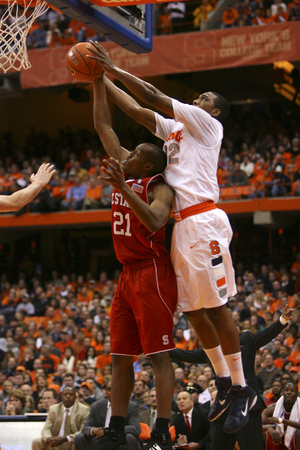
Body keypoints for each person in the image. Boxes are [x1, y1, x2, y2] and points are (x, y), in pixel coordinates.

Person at [88, 41, 255, 435]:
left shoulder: (208, 125)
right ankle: (223, 382)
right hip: (182, 228)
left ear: (212, 111)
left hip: (202, 220)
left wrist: (113, 66)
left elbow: (154, 95)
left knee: (215, 307)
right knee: (194, 310)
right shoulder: (177, 132)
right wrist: (99, 78)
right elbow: (137, 110)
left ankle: (242, 387)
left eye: (205, 98)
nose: (198, 98)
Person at [89, 72, 177, 450]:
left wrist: (124, 187)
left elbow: (157, 220)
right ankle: (116, 422)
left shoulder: (159, 188)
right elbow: (103, 124)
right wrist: (95, 80)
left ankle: (163, 426)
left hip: (152, 273)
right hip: (126, 276)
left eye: (136, 154)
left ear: (147, 167)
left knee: (158, 356)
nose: (128, 154)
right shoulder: (128, 168)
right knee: (120, 358)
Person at [169, 306, 294, 450]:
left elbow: (267, 334)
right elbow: (187, 355)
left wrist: (283, 319)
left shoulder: (245, 339)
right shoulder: (211, 349)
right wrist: (160, 349)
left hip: (247, 405)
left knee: (251, 447)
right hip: (222, 407)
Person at [74, 380, 141, 450]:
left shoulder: (131, 406)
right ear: (105, 392)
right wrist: (94, 430)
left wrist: (108, 431)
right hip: (100, 439)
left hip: (120, 439)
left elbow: (135, 428)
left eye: (116, 389)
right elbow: (86, 428)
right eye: (109, 389)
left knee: (130, 437)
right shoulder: (96, 406)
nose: (112, 392)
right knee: (79, 437)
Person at [262, 382, 300, 450]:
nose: (289, 392)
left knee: (299, 433)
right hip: (277, 439)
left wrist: (281, 420)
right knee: (262, 433)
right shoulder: (272, 407)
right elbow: (256, 425)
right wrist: (269, 429)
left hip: (294, 440)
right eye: (286, 390)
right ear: (282, 393)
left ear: (297, 394)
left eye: (292, 391)